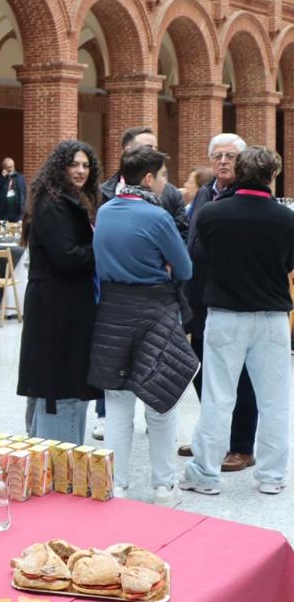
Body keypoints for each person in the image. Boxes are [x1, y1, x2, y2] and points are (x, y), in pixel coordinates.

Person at [181, 146, 294, 497]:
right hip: (273, 316)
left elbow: (202, 256)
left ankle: (206, 474)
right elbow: (289, 264)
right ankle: (273, 476)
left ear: (240, 172)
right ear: (271, 176)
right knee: (274, 400)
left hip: (226, 314)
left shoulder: (213, 214)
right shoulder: (287, 218)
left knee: (218, 397)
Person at [89, 146, 195, 507]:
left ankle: (116, 487)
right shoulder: (157, 216)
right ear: (149, 179)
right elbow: (185, 269)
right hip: (154, 310)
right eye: (164, 176)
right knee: (160, 404)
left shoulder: (104, 212)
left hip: (113, 311)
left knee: (117, 404)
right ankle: (164, 488)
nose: (167, 183)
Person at [181, 133, 258, 472]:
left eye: (230, 156)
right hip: (199, 298)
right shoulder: (202, 193)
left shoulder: (244, 198)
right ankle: (212, 438)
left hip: (231, 299)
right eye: (217, 156)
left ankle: (241, 445)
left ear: (241, 162)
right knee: (201, 371)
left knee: (238, 377)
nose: (223, 161)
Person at [17, 139, 101, 445]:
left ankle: (50, 453)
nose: (80, 171)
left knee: (60, 382)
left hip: (68, 302)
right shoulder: (53, 204)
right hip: (56, 305)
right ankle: (56, 457)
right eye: (74, 164)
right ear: (60, 167)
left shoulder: (71, 200)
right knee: (60, 384)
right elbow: (67, 257)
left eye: (86, 165)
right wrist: (103, 248)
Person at [100, 127, 188, 239]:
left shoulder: (172, 194)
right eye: (148, 147)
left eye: (155, 148)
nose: (154, 152)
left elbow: (182, 236)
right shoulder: (103, 193)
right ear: (128, 151)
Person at [0, 157, 27, 222]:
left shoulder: (20, 177)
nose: (11, 168)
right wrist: (2, 177)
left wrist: (24, 206)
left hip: (17, 211)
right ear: (4, 168)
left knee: (17, 231)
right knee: (2, 231)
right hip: (3, 211)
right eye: (9, 167)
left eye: (12, 166)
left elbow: (24, 192)